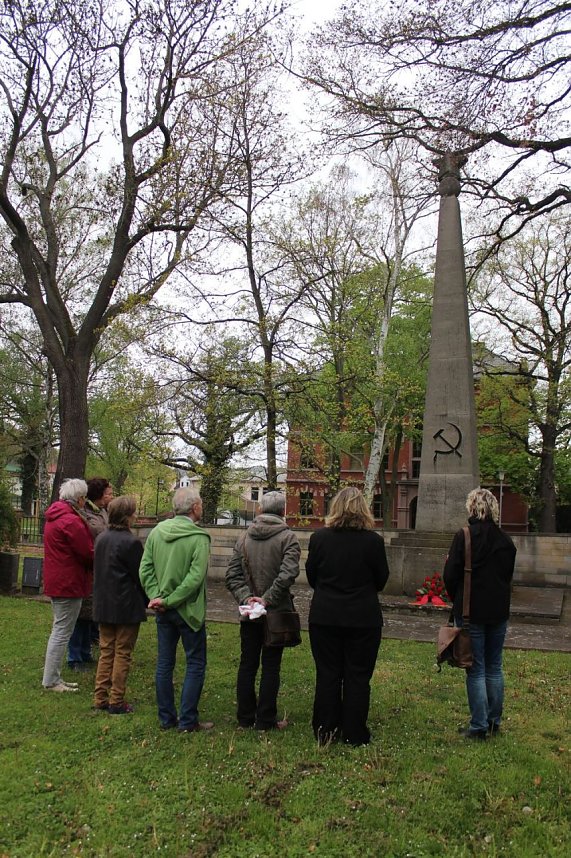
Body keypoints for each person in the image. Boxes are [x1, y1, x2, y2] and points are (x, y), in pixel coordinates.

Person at [306, 486, 389, 746]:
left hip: (325, 615)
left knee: (328, 673)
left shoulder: (319, 539)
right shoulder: (373, 542)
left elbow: (311, 576)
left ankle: (325, 729)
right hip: (362, 617)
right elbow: (381, 579)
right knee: (358, 675)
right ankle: (354, 732)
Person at [443, 487, 517, 741]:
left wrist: (458, 600)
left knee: (475, 668)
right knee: (494, 666)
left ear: (472, 508)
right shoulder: (506, 541)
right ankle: (494, 721)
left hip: (471, 611)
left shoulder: (464, 536)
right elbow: (507, 577)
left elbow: (450, 575)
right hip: (498, 611)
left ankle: (478, 726)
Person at [139, 488, 213, 733]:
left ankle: (166, 718)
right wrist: (168, 600)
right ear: (194, 508)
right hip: (188, 611)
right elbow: (195, 578)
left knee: (165, 663)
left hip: (163, 608)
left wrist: (156, 597)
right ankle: (188, 720)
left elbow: (145, 569)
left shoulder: (156, 532)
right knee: (195, 663)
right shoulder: (199, 538)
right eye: (200, 504)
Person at [225, 491, 301, 731]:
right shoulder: (289, 538)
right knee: (271, 666)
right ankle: (266, 720)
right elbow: (288, 574)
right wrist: (266, 600)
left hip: (250, 612)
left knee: (247, 664)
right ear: (282, 512)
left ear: (260, 511)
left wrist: (248, 599)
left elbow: (232, 576)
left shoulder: (243, 538)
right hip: (276, 613)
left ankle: (245, 718)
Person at [92, 495, 146, 715]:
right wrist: (148, 599)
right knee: (123, 652)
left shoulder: (101, 538)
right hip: (125, 604)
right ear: (128, 516)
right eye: (133, 512)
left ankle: (100, 697)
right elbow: (140, 575)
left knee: (107, 651)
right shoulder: (131, 542)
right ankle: (116, 700)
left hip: (104, 602)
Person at [41, 478, 94, 692]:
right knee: (62, 631)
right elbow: (87, 552)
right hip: (68, 582)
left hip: (59, 579)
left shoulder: (55, 517)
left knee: (60, 629)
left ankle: (53, 677)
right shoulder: (70, 521)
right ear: (79, 498)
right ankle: (51, 680)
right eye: (84, 498)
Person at [68, 477, 114, 668]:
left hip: (98, 568)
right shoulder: (85, 514)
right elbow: (99, 535)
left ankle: (85, 652)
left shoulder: (102, 511)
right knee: (81, 614)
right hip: (88, 567)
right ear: (99, 495)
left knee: (90, 613)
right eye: (109, 493)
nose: (112, 496)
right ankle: (75, 657)